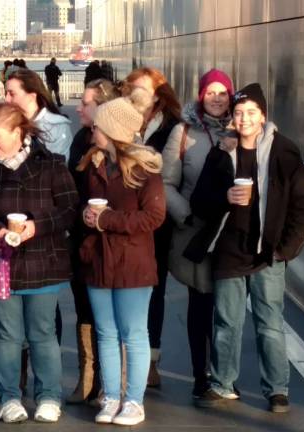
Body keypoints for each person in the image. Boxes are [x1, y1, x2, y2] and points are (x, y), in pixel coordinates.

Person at [191, 83, 304, 413]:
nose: (244, 119)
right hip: (229, 251)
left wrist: (285, 250)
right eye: (238, 113)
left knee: (270, 324)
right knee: (226, 322)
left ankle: (277, 389)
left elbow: (303, 206)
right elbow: (199, 201)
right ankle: (222, 383)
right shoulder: (222, 152)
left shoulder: (283, 152)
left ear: (263, 116)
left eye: (251, 113)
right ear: (232, 117)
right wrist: (224, 198)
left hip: (267, 253)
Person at [0, 103, 79, 423]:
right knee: (6, 334)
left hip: (43, 264)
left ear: (18, 132)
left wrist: (36, 226)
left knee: (42, 333)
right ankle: (7, 395)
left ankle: (49, 395)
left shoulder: (52, 165)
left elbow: (69, 209)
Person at [78, 88, 165, 425]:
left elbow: (154, 218)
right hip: (100, 260)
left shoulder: (145, 170)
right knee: (106, 332)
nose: (92, 131)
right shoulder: (95, 165)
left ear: (113, 131)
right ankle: (111, 396)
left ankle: (134, 401)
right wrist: (89, 219)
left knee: (133, 333)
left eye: (98, 126)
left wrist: (105, 219)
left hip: (133, 263)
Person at [161, 69, 234, 398]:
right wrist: (184, 214)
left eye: (223, 92)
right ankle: (200, 373)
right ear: (201, 95)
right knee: (200, 303)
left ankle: (224, 377)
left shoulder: (243, 127)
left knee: (230, 309)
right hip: (196, 231)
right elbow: (165, 182)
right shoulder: (184, 132)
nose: (216, 98)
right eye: (210, 92)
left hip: (233, 232)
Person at [124, 67, 181, 386]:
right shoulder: (119, 119)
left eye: (142, 88)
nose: (136, 93)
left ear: (158, 93)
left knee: (154, 287)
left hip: (157, 218)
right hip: (125, 212)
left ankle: (151, 360)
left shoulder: (171, 125)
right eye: (133, 87)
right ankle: (125, 357)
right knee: (126, 286)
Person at [66, 78, 120, 405]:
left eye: (86, 103)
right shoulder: (80, 139)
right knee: (84, 308)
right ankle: (88, 376)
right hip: (81, 240)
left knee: (113, 316)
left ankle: (112, 382)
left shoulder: (122, 147)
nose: (79, 108)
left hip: (113, 245)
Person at [5, 68, 71, 163]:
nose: (6, 99)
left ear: (31, 96)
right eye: (6, 93)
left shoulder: (58, 126)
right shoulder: (6, 124)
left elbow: (59, 167)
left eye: (12, 94)